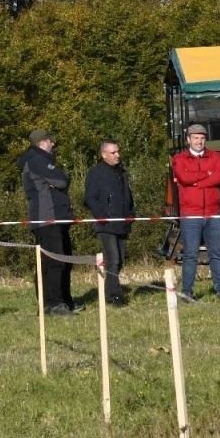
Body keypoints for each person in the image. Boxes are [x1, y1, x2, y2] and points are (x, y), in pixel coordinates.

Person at [18, 129, 77, 314]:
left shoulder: (41, 161)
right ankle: (53, 304)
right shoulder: (38, 160)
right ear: (42, 143)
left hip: (56, 218)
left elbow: (57, 182)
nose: (53, 144)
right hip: (47, 219)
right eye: (50, 142)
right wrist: (59, 179)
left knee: (65, 261)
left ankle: (65, 301)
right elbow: (62, 181)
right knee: (53, 263)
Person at [171, 122, 220, 299]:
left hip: (214, 213)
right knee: (190, 255)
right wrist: (208, 174)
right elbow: (184, 177)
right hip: (191, 214)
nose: (199, 141)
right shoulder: (180, 158)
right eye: (195, 138)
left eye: (202, 138)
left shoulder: (216, 156)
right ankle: (187, 292)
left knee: (217, 254)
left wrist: (196, 182)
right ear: (188, 140)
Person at [83, 139, 134, 305]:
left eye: (118, 151)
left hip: (123, 223)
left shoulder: (122, 172)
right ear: (103, 154)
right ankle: (114, 296)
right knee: (113, 259)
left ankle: (110, 289)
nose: (117, 155)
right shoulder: (95, 173)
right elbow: (89, 198)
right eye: (113, 152)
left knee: (121, 260)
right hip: (105, 225)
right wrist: (101, 216)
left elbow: (128, 196)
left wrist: (131, 214)